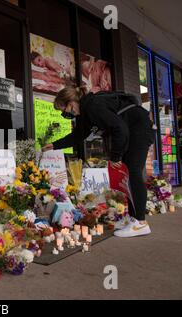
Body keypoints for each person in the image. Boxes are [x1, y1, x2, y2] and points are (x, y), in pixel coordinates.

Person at [43, 86, 155, 238]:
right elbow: (78, 135)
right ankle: (134, 218)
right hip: (132, 129)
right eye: (63, 113)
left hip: (138, 129)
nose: (67, 114)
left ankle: (140, 223)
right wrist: (55, 145)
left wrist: (116, 156)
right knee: (128, 174)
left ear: (72, 101)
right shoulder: (86, 113)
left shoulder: (92, 106)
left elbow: (119, 128)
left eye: (65, 109)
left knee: (133, 171)